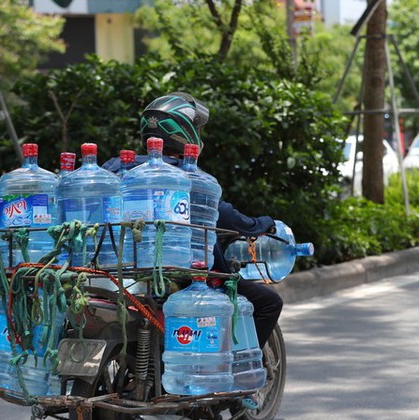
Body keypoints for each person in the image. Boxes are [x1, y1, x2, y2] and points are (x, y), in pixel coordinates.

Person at [102, 92, 283, 349]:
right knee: (269, 302)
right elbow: (229, 217)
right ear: (185, 132)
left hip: (117, 266)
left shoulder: (116, 168)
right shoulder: (186, 176)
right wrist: (261, 224)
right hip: (184, 271)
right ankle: (239, 364)